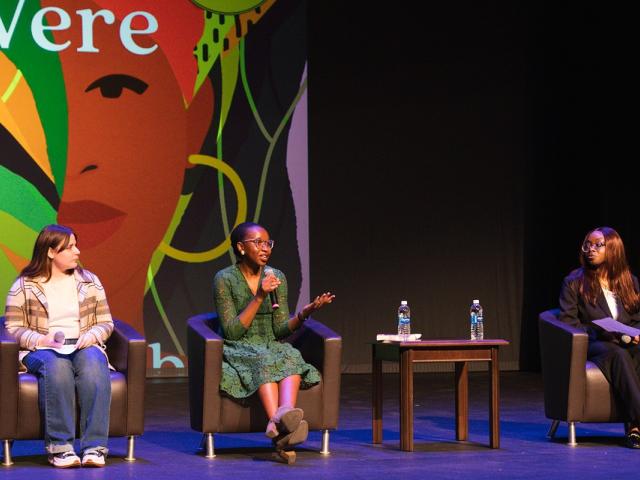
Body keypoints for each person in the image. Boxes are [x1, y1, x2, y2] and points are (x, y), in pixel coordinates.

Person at [213, 222, 334, 464]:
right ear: (241, 247)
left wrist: (304, 313)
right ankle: (280, 430)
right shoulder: (224, 279)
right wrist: (259, 296)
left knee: (291, 356)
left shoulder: (276, 276)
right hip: (239, 346)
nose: (265, 248)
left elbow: (280, 329)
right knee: (263, 359)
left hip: (269, 343)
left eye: (268, 243)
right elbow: (232, 331)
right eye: (258, 243)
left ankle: (283, 416)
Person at [4, 224, 113, 468]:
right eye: (70, 247)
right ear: (51, 252)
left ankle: (95, 447)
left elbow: (106, 322)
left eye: (76, 245)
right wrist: (40, 340)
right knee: (57, 367)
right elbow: (12, 328)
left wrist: (92, 336)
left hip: (82, 345)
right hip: (40, 350)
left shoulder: (89, 282)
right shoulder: (25, 285)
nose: (77, 252)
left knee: (95, 364)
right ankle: (60, 449)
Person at [559, 226, 640, 449]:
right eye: (587, 244)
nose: (590, 249)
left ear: (613, 249)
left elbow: (636, 317)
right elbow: (568, 322)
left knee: (632, 352)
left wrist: (634, 335)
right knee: (618, 354)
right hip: (594, 344)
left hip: (624, 343)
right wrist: (600, 332)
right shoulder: (574, 282)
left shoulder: (629, 281)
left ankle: (636, 427)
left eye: (597, 245)